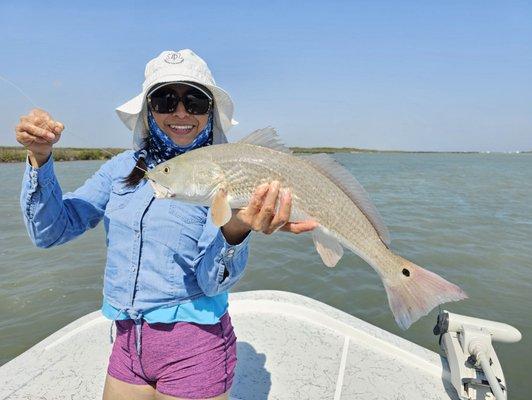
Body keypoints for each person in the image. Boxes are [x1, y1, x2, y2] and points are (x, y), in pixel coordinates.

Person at [15, 49, 317, 400]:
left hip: (195, 346)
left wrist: (237, 228)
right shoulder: (120, 168)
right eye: (165, 99)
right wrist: (40, 159)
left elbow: (211, 281)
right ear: (148, 110)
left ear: (210, 112)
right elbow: (49, 231)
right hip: (128, 343)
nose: (181, 112)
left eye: (195, 101)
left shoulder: (224, 176)